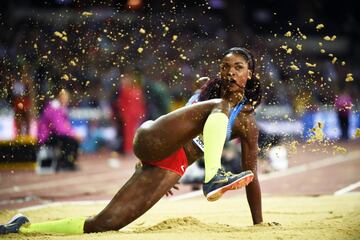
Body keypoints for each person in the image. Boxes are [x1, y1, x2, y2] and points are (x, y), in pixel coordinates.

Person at [0, 47, 263, 235]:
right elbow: (183, 120)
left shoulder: (247, 124)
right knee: (220, 105)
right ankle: (213, 177)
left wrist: (258, 224)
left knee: (105, 223)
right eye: (225, 67)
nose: (230, 72)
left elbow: (252, 176)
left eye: (238, 68)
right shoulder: (212, 96)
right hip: (153, 139)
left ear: (249, 74)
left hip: (172, 165)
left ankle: (24, 227)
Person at [37, 88, 82, 171]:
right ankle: (65, 163)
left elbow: (66, 126)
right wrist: (74, 135)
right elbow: (59, 128)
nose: (66, 100)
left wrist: (74, 134)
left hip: (54, 134)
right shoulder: (54, 108)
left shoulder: (60, 108)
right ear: (59, 97)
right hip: (46, 136)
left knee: (72, 140)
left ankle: (69, 162)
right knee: (70, 140)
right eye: (64, 97)